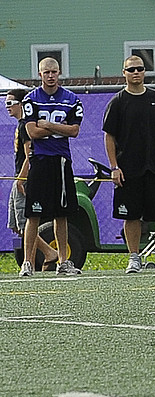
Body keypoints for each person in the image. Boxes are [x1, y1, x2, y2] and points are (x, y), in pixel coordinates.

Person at [102, 56, 155, 274]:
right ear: (124, 72)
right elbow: (109, 136)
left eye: (140, 69)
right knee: (131, 216)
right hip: (128, 170)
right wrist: (114, 167)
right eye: (131, 69)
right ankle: (133, 258)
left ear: (145, 72)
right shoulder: (118, 102)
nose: (136, 72)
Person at [19, 58, 84, 276]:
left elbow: (74, 131)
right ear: (40, 74)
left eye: (54, 72)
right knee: (33, 214)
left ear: (60, 73)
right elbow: (33, 133)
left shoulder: (71, 99)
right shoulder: (31, 99)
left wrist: (48, 125)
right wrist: (60, 128)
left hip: (61, 160)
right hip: (40, 160)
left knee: (61, 213)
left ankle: (63, 261)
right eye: (46, 72)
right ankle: (27, 262)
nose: (50, 75)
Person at [6, 89, 59, 272]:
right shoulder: (20, 125)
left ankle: (50, 252)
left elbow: (30, 154)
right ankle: (49, 252)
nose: (7, 107)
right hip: (18, 177)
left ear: (21, 104)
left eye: (10, 102)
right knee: (15, 225)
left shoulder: (26, 126)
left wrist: (21, 178)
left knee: (24, 222)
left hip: (25, 177)